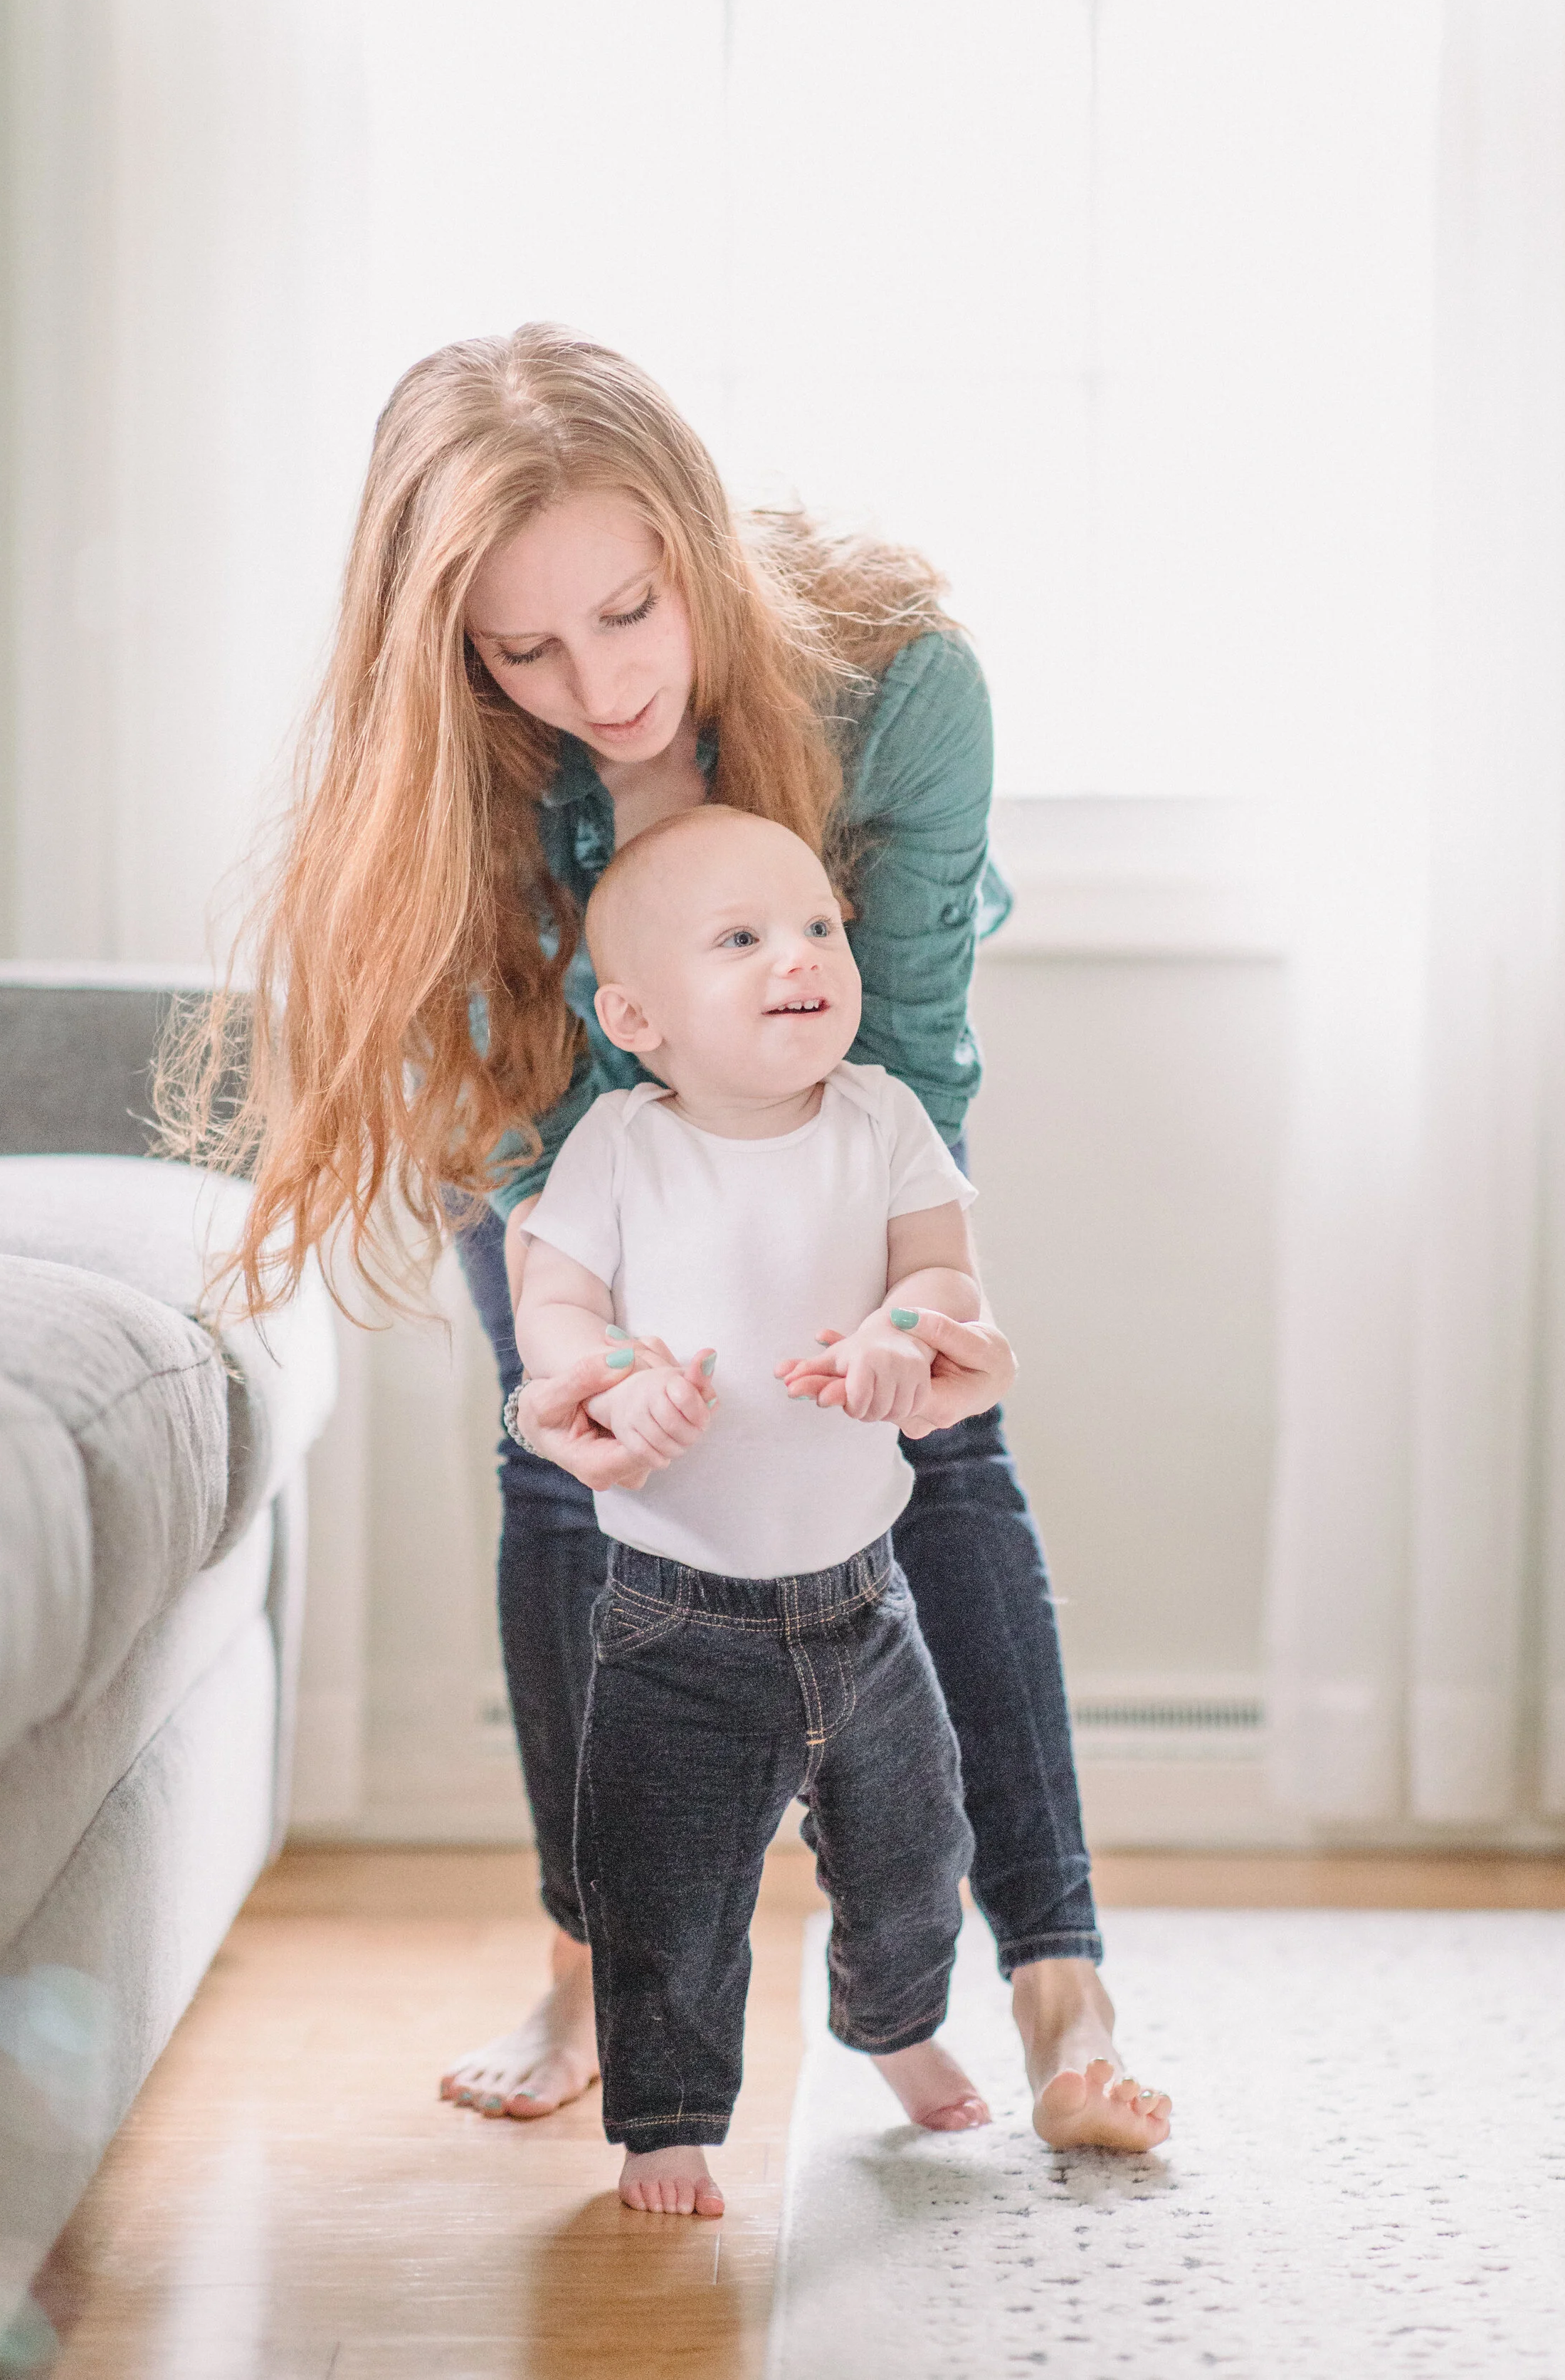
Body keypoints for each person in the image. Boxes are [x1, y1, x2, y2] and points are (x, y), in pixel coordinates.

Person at [172, 322, 1170, 2158]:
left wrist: (919, 1294)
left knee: (942, 1453)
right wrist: (594, 1354)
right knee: (576, 1487)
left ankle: (1060, 1990)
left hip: (826, 1084)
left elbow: (909, 1044)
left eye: (632, 611)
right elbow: (534, 1154)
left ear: (696, 545)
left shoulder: (896, 688)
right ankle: (592, 1962)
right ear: (454, 646)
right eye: (523, 646)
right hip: (568, 1118)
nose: (596, 681)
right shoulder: (450, 771)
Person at [513, 801, 1035, 2216]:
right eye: (738, 938)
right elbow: (551, 1294)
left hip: (860, 1602)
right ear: (637, 1015)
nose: (794, 955)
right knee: (662, 1884)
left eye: (813, 925)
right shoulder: (623, 1146)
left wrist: (895, 1335)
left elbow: (943, 1276)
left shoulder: (879, 1118)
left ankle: (892, 2024)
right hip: (672, 1617)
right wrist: (604, 1378)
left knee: (917, 1849)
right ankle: (667, 2118)